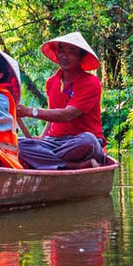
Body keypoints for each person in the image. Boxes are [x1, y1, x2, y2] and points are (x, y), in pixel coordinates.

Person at [17, 32, 108, 170]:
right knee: (18, 144)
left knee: (87, 141)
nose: (64, 56)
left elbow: (66, 115)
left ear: (80, 57)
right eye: (61, 51)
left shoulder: (91, 82)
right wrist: (42, 137)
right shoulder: (51, 82)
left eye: (71, 52)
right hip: (54, 142)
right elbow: (53, 116)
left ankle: (44, 161)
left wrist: (29, 111)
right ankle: (73, 165)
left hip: (81, 143)